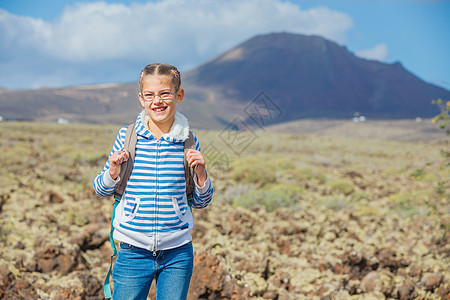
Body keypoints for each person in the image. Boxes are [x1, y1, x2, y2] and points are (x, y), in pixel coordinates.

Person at [93, 63, 213, 300]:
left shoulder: (188, 140)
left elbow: (201, 202)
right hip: (132, 251)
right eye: (150, 95)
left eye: (164, 93)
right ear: (141, 99)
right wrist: (113, 171)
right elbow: (100, 188)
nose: (157, 101)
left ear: (179, 95)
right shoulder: (127, 137)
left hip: (177, 253)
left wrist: (201, 174)